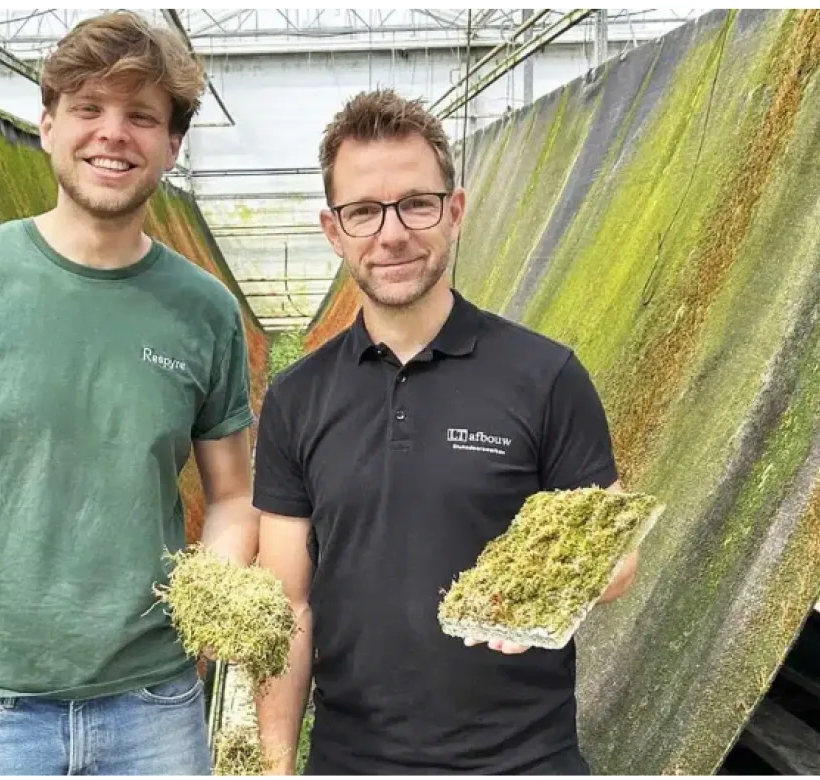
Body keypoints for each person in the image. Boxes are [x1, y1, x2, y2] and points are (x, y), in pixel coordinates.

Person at [0, 11, 258, 775]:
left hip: (154, 707)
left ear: (172, 145)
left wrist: (217, 594)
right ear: (47, 124)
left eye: (142, 116)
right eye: (88, 109)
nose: (114, 133)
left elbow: (232, 494)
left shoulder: (204, 309)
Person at [251, 88, 636, 775]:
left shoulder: (544, 376)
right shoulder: (296, 398)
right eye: (363, 212)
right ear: (333, 230)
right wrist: (275, 763)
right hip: (352, 763)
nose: (391, 233)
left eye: (416, 204)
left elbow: (616, 557)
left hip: (525, 762)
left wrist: (552, 590)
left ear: (454, 213)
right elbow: (289, 605)